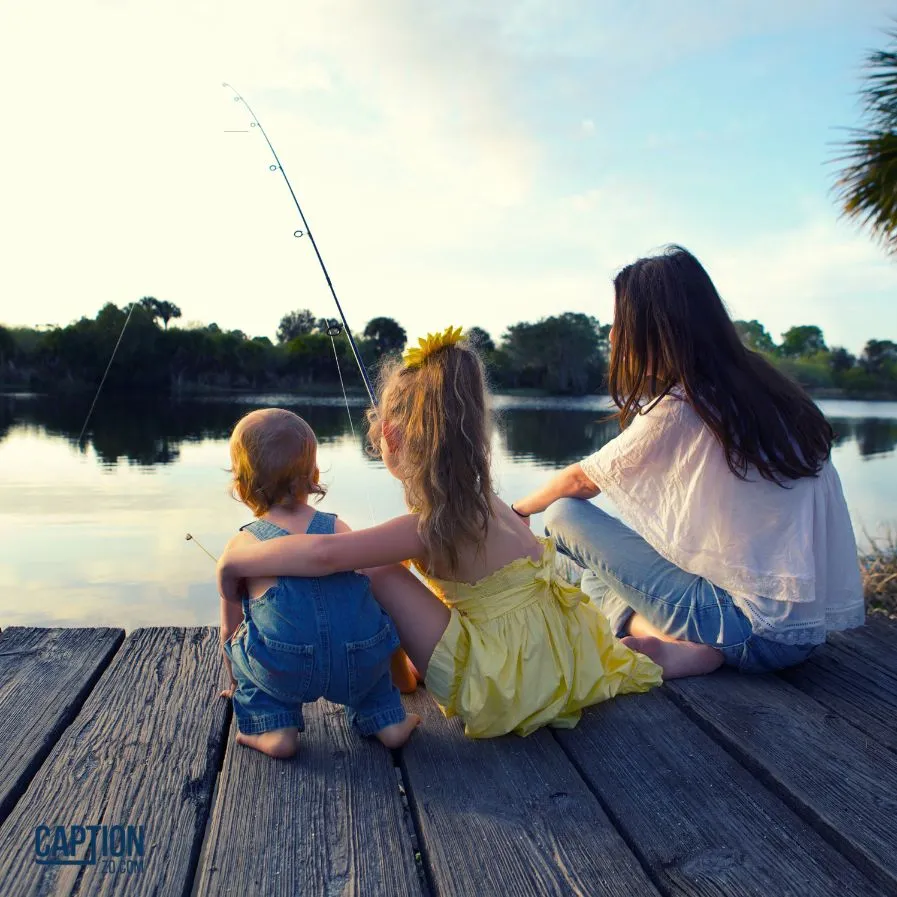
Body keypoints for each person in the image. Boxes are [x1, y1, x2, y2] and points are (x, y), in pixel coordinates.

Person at [217, 328, 716, 741]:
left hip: (501, 683)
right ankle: (706, 651)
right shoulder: (490, 503)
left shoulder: (428, 526)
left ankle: (396, 679)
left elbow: (327, 553)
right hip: (566, 653)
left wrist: (239, 563)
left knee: (376, 569)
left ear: (389, 438)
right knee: (630, 654)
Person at [512, 246, 865, 674]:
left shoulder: (686, 403)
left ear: (654, 330)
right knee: (596, 571)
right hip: (803, 637)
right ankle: (674, 641)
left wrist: (515, 510)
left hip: (744, 630)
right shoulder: (769, 392)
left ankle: (668, 637)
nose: (611, 336)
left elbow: (581, 483)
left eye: (620, 323)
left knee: (564, 516)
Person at [218, 408, 420, 759]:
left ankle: (274, 731)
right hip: (358, 659)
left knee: (243, 643)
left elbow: (229, 629)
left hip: (285, 668)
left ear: (241, 483)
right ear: (312, 474)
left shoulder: (243, 545)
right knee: (366, 657)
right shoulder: (337, 528)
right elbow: (367, 585)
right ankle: (388, 722)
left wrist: (237, 681)